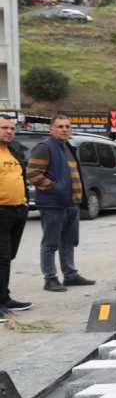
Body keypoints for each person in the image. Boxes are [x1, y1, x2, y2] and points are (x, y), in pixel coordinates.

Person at [27, 115, 95, 292]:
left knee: (69, 242)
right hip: (53, 204)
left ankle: (70, 275)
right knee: (50, 243)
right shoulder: (45, 147)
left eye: (67, 126)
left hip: (71, 203)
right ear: (51, 130)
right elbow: (33, 174)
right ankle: (50, 279)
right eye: (60, 126)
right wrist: (56, 188)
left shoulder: (68, 147)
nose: (64, 129)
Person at [0, 115, 31, 321]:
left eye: (12, 128)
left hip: (17, 210)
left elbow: (22, 177)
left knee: (8, 257)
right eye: (4, 127)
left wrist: (25, 202)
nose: (9, 131)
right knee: (0, 258)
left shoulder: (14, 150)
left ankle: (4, 297)